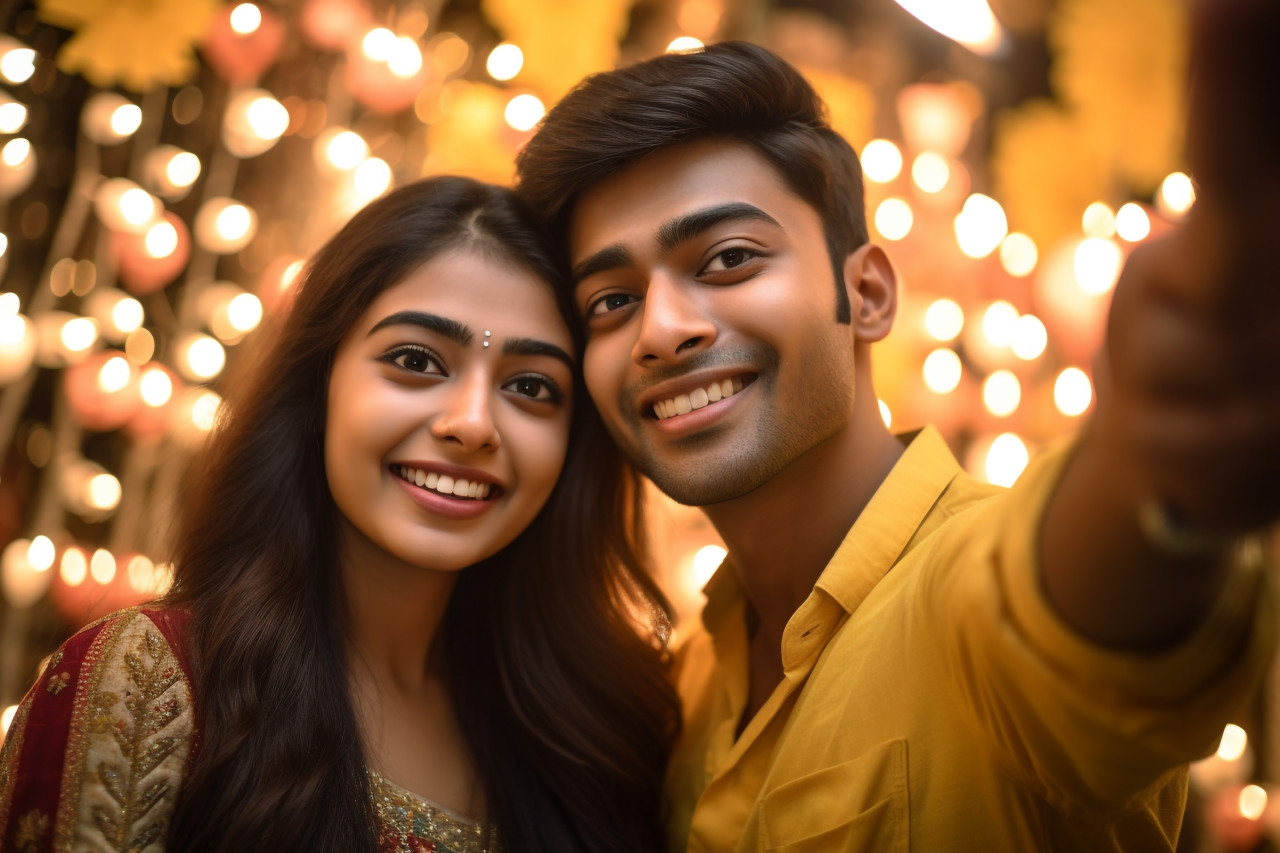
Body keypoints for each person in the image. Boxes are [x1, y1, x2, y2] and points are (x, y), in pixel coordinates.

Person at [513, 0, 1280, 849]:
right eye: (612, 301)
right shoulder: (685, 682)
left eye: (729, 258)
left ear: (868, 294)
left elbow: (1082, 618)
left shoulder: (969, 600)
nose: (660, 330)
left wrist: (1156, 466)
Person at [0, 176, 680, 853]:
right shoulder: (148, 682)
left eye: (531, 386)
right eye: (415, 360)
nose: (472, 424)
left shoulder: (596, 735)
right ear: (319, 387)